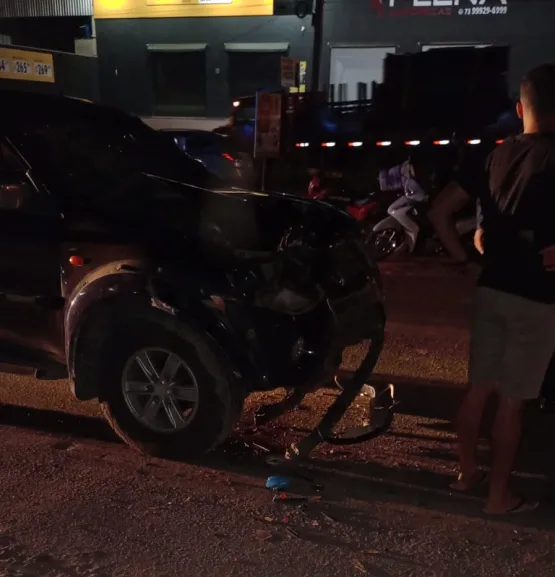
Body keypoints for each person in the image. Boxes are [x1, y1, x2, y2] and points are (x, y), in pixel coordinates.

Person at [428, 63, 555, 515]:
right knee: (512, 403)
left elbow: (441, 212)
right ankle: (499, 497)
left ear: (521, 108)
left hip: (491, 287)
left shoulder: (493, 154)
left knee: (478, 388)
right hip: (537, 298)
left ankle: (466, 476)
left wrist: (465, 257)